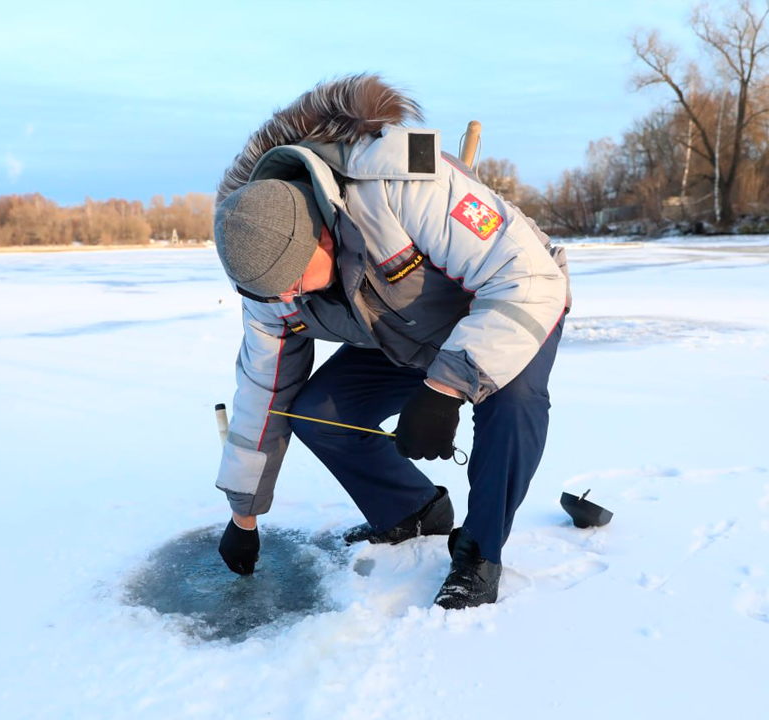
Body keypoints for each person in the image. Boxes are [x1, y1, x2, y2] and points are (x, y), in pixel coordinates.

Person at [211, 75, 571, 609]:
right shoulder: (269, 286)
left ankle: (479, 549)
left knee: (511, 402)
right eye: (270, 290)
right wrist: (244, 514)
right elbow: (262, 395)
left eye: (293, 279)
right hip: (401, 335)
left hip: (511, 304)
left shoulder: (401, 184)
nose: (284, 296)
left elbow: (527, 279)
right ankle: (412, 510)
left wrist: (445, 390)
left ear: (323, 233)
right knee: (314, 411)